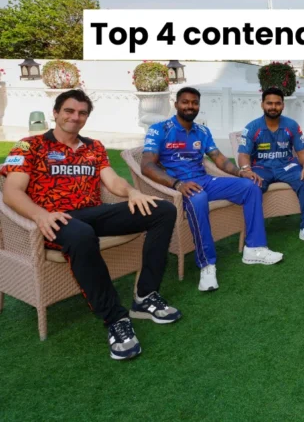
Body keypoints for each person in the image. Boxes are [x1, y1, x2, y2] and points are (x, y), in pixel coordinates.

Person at [1, 89, 179, 361]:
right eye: (69, 111)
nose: (75, 117)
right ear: (56, 113)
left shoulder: (93, 147)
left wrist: (132, 192)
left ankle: (145, 296)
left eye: (82, 113)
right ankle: (115, 318)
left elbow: (112, 181)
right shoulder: (30, 146)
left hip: (93, 213)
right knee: (81, 233)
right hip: (54, 219)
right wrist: (40, 215)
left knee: (163, 210)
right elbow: (11, 191)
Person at [142, 87, 283, 293]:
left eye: (194, 103)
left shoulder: (202, 131)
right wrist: (177, 184)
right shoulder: (159, 129)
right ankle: (207, 265)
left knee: (251, 187)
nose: (190, 106)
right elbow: (146, 165)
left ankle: (254, 248)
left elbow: (218, 158)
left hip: (204, 180)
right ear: (176, 104)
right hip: (179, 185)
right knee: (198, 198)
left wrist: (240, 172)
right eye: (185, 102)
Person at [237, 88, 304, 246]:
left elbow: (302, 151)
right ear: (262, 104)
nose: (273, 107)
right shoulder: (252, 127)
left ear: (283, 105)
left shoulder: (291, 125)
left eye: (277, 103)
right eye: (269, 103)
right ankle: (254, 230)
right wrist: (246, 170)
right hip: (261, 168)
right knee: (251, 186)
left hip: (286, 166)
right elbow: (243, 154)